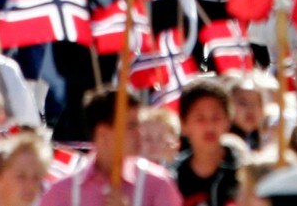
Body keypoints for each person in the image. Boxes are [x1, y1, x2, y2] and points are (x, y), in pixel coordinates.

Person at [40, 89, 180, 206]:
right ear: (103, 134)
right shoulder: (62, 192)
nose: (140, 132)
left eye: (139, 124)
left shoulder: (158, 184)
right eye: (131, 126)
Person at [175, 78, 239, 206]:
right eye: (200, 118)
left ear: (228, 120)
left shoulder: (244, 174)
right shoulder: (171, 178)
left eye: (216, 117)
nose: (209, 126)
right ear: (184, 124)